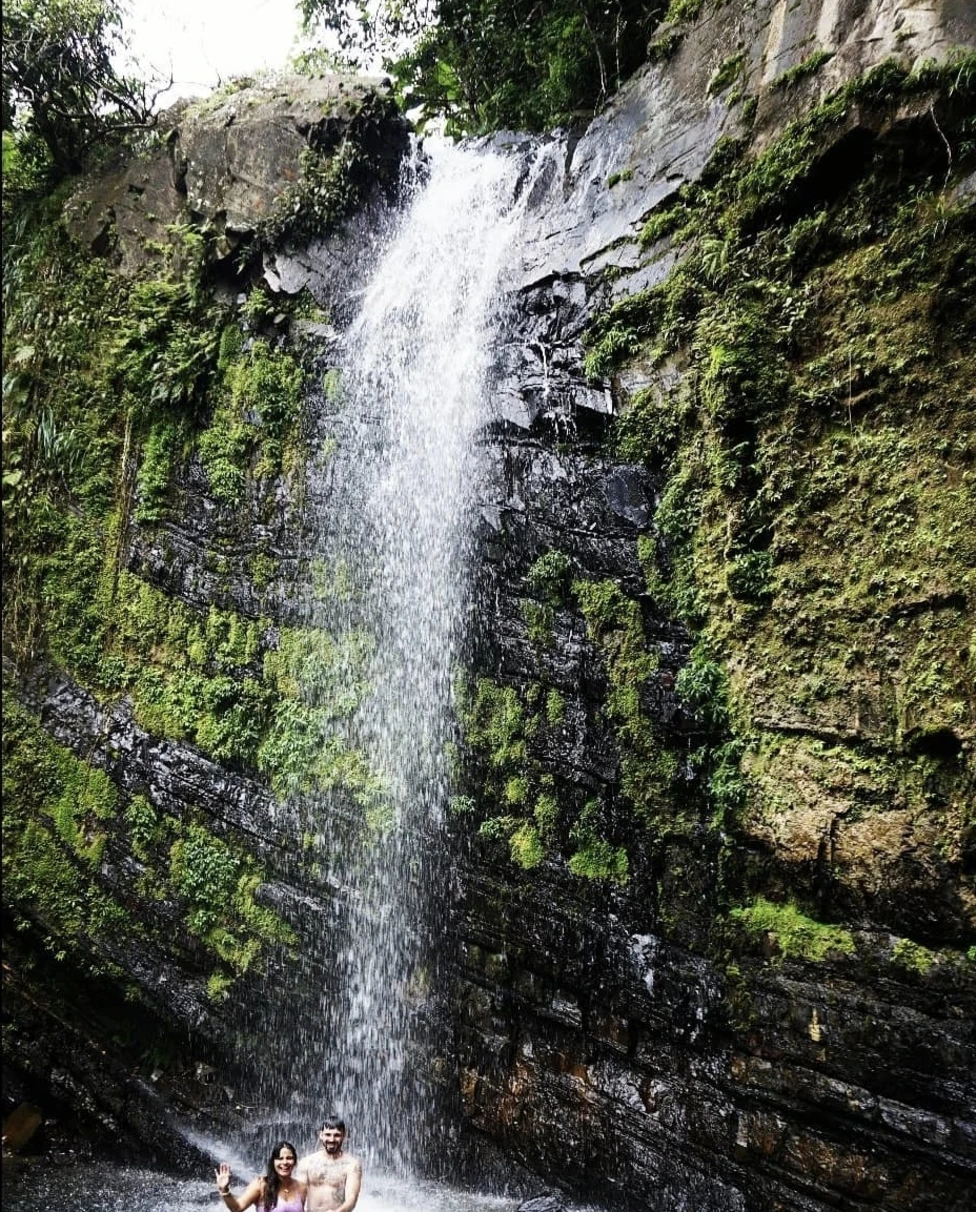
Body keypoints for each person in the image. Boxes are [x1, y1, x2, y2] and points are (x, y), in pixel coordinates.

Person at [215, 1140, 307, 1211]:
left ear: (295, 1161)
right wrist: (224, 1190)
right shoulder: (261, 1185)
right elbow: (237, 1207)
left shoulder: (301, 1187)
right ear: (273, 1162)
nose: (285, 1162)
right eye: (280, 1158)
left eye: (289, 1158)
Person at [295, 1116, 362, 1212]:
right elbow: (298, 1197)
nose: (332, 1139)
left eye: (337, 1135)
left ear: (344, 1136)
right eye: (328, 1134)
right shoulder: (307, 1162)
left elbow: (351, 1199)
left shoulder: (352, 1165)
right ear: (320, 1135)